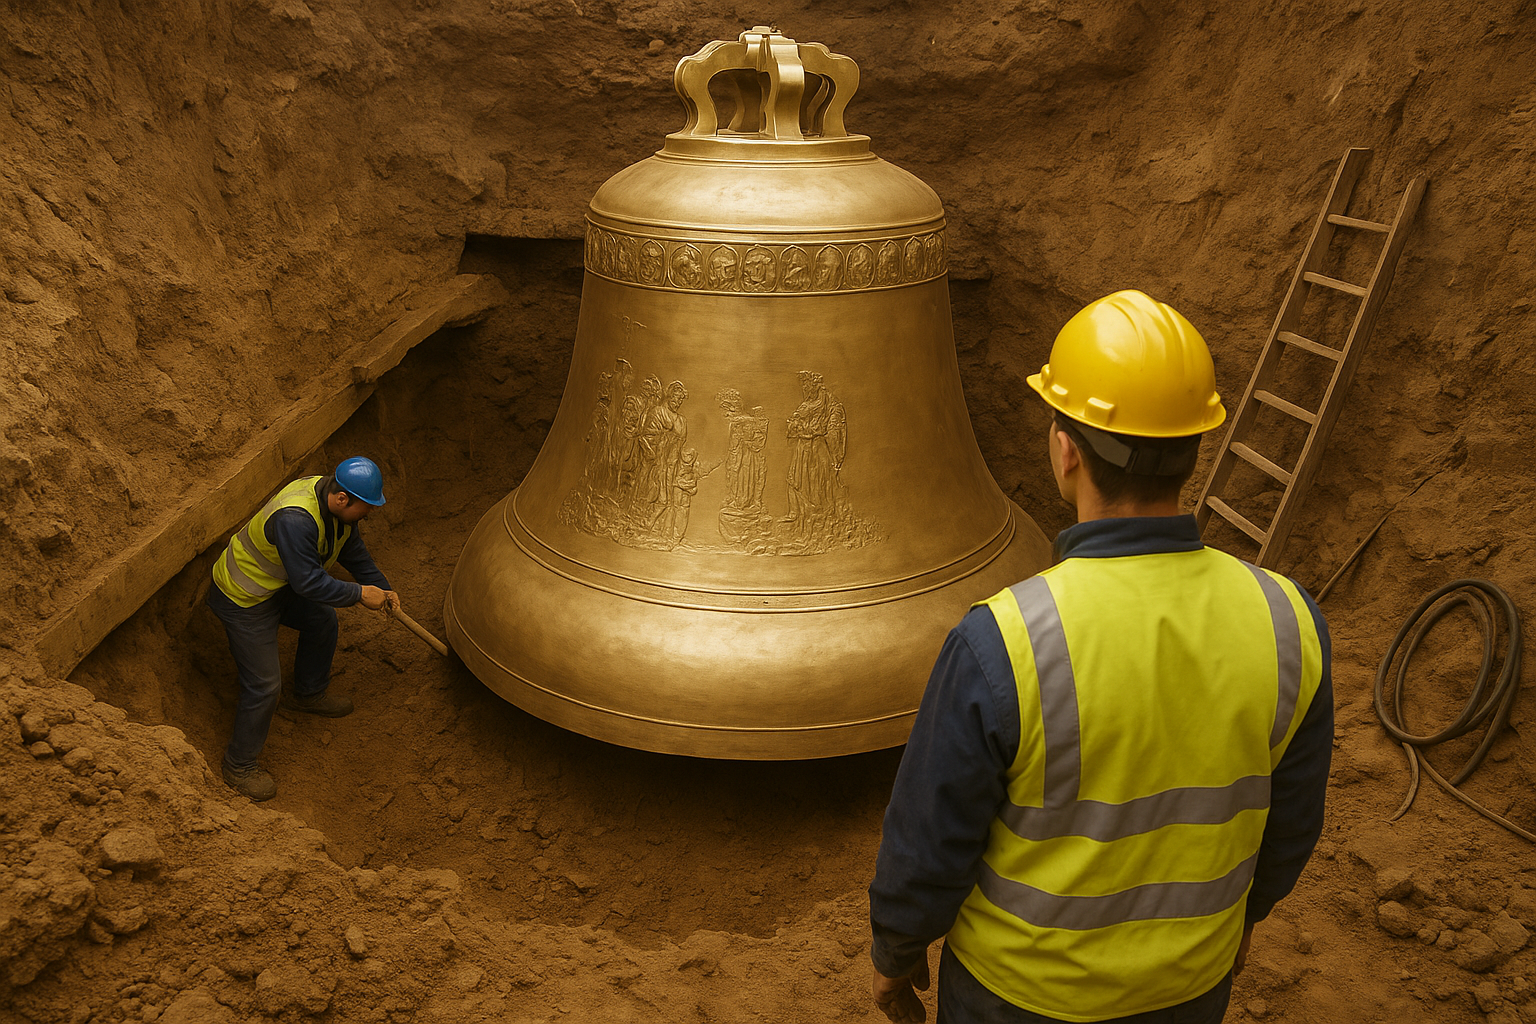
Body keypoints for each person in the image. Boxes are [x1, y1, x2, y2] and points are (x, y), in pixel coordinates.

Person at [867, 290, 1333, 1024]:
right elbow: (1293, 823)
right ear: (1195, 446)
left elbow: (930, 839)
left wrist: (897, 952)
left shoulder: (1005, 640)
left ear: (1066, 451)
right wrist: (1245, 921)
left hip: (1017, 999)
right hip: (1189, 991)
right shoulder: (1289, 621)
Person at [207, 456, 402, 802]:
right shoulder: (296, 519)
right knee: (265, 685)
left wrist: (383, 590)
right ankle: (239, 765)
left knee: (322, 620)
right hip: (244, 597)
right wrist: (360, 594)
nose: (369, 514)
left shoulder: (335, 505)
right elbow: (309, 584)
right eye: (366, 508)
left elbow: (354, 553)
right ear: (342, 499)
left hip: (277, 586)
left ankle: (308, 694)